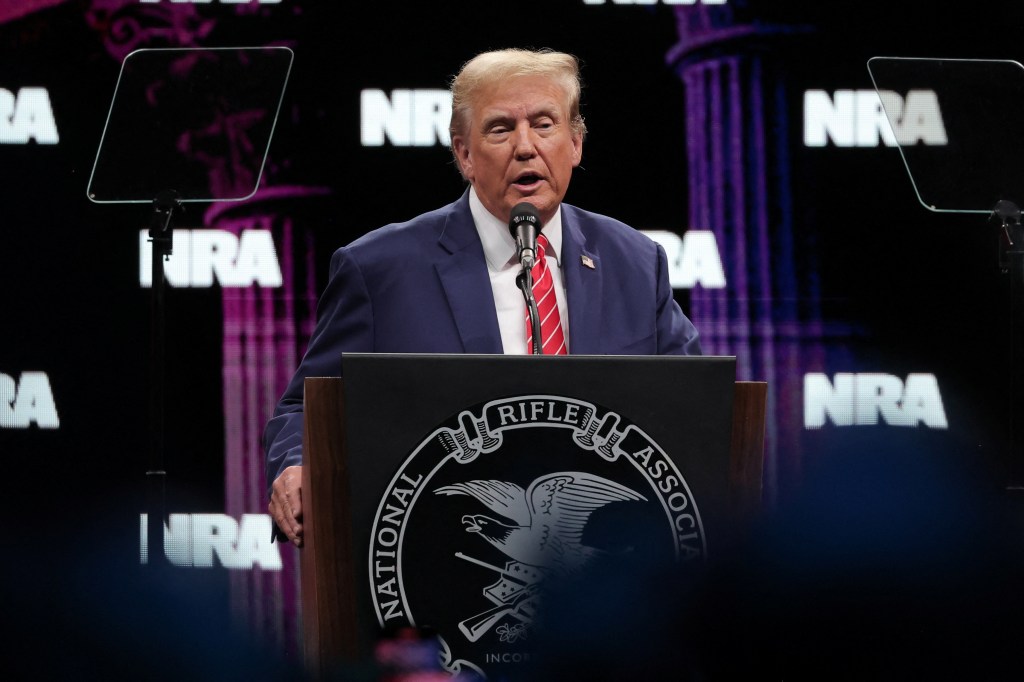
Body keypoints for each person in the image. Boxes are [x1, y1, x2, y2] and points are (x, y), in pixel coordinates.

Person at [263, 48, 701, 546]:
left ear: (576, 143)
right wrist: (296, 465)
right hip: (443, 547)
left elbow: (695, 403)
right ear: (464, 154)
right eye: (499, 129)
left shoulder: (636, 263)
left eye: (544, 124)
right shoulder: (379, 269)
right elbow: (304, 408)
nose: (525, 147)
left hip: (606, 566)